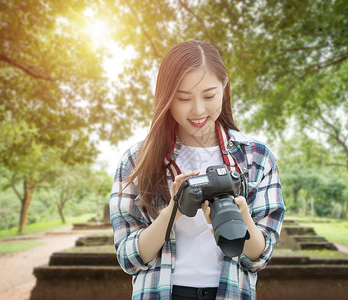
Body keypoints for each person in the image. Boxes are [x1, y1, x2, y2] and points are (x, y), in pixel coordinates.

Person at [110, 40, 285, 300]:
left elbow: (260, 256)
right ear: (166, 98)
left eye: (209, 95)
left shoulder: (256, 157)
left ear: (224, 88)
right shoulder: (138, 160)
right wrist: (174, 211)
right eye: (183, 98)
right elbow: (128, 257)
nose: (198, 110)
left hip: (229, 292)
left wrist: (241, 218)